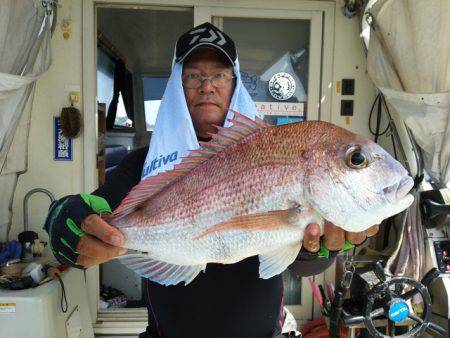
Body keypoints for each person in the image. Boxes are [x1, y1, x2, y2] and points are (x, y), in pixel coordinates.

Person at [44, 23, 379, 338]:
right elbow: (96, 208)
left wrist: (322, 247)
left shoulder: (274, 152)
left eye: (219, 74)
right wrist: (65, 217)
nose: (207, 85)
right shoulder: (143, 164)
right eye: (193, 76)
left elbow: (304, 267)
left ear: (234, 84)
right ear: (178, 86)